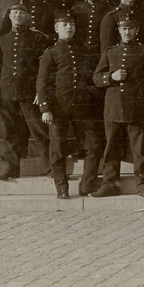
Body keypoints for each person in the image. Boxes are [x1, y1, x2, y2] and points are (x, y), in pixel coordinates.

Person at [36, 11, 104, 198]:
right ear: (57, 29)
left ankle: (87, 185)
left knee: (94, 145)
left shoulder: (84, 51)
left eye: (71, 24)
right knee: (57, 149)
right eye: (64, 25)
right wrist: (45, 108)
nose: (69, 28)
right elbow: (42, 83)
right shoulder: (51, 53)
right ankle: (62, 188)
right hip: (58, 109)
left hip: (82, 108)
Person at [0, 0, 52, 182]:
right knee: (10, 132)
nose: (18, 16)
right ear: (9, 16)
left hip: (30, 93)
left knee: (39, 130)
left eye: (22, 12)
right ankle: (12, 168)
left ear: (28, 16)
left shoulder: (39, 39)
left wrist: (42, 92)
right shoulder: (2, 40)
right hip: (6, 92)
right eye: (14, 12)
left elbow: (44, 68)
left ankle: (51, 168)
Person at [91, 14, 144, 198]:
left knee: (140, 150)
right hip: (113, 108)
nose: (127, 32)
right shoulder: (110, 52)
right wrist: (111, 77)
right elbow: (96, 77)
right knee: (111, 148)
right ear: (119, 30)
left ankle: (143, 185)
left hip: (137, 107)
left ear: (137, 31)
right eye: (124, 29)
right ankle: (109, 184)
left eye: (131, 29)